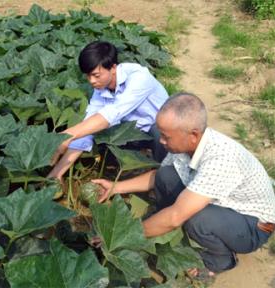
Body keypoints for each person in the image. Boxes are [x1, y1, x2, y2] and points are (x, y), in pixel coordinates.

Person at [93, 92, 275, 275]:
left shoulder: (220, 160)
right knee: (166, 175)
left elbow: (175, 216)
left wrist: (120, 237)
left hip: (254, 225)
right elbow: (158, 176)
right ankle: (162, 227)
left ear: (193, 135)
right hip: (225, 203)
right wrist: (115, 187)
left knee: (197, 219)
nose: (161, 141)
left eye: (166, 137)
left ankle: (221, 260)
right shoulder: (189, 141)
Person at [48, 41, 169, 180]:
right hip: (132, 132)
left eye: (96, 75)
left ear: (113, 68)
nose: (92, 81)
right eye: (88, 76)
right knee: (96, 135)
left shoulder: (139, 78)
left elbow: (111, 114)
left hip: (156, 128)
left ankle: (161, 176)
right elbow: (88, 127)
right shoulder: (100, 88)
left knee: (161, 134)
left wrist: (66, 135)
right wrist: (57, 173)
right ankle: (136, 165)